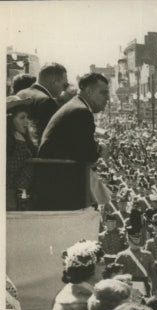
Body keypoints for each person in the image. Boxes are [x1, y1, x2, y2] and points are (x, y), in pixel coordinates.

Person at [37, 72, 110, 210]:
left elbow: (75, 145)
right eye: (103, 93)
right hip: (61, 186)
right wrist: (100, 149)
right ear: (89, 91)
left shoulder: (75, 106)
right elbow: (87, 155)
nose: (107, 98)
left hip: (54, 180)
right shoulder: (81, 112)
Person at [47, 240, 104, 310]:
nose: (105, 267)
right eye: (101, 263)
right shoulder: (84, 298)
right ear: (89, 268)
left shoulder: (74, 289)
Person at [16, 62, 68, 137]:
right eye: (64, 85)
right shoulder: (47, 102)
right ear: (54, 82)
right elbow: (49, 137)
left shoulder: (20, 93)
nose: (64, 89)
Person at [6, 96, 38, 210]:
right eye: (22, 118)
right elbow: (11, 167)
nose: (26, 122)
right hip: (9, 195)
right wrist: (20, 144)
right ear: (10, 120)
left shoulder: (24, 139)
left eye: (27, 117)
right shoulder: (9, 142)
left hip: (23, 196)